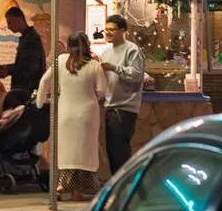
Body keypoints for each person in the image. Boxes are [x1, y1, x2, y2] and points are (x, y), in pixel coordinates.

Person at [36, 32, 107, 201]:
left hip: (66, 112)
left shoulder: (60, 61)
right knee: (85, 150)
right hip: (88, 113)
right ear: (87, 45)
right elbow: (102, 91)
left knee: (67, 150)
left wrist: (40, 102)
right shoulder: (94, 65)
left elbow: (44, 81)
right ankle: (78, 191)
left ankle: (63, 184)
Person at [99, 12, 146, 173]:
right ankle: (117, 187)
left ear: (123, 30)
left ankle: (125, 188)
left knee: (120, 152)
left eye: (112, 29)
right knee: (112, 151)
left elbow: (136, 75)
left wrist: (113, 67)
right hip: (110, 107)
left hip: (125, 109)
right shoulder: (105, 52)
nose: (108, 33)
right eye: (106, 29)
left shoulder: (132, 50)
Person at [0, 4, 46, 109]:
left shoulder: (31, 39)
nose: (8, 27)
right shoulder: (27, 37)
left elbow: (30, 67)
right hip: (25, 90)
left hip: (26, 91)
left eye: (10, 23)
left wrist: (8, 70)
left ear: (18, 20)